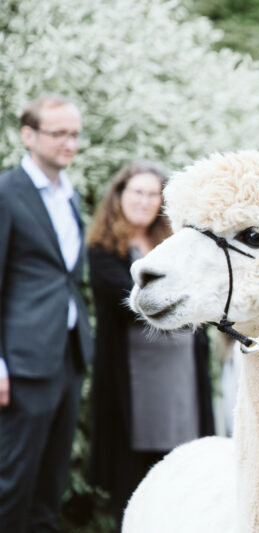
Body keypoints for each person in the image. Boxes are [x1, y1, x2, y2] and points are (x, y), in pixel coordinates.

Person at [86, 161, 215, 527]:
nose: (144, 201)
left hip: (182, 376)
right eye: (137, 192)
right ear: (119, 196)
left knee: (182, 469)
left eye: (152, 194)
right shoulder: (103, 249)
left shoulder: (173, 244)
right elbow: (124, 298)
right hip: (133, 380)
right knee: (134, 476)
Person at [0, 94, 94, 532]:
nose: (69, 143)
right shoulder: (7, 193)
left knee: (50, 485)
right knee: (12, 482)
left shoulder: (68, 196)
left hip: (67, 357)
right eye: (59, 133)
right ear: (29, 135)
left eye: (74, 134)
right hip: (22, 364)